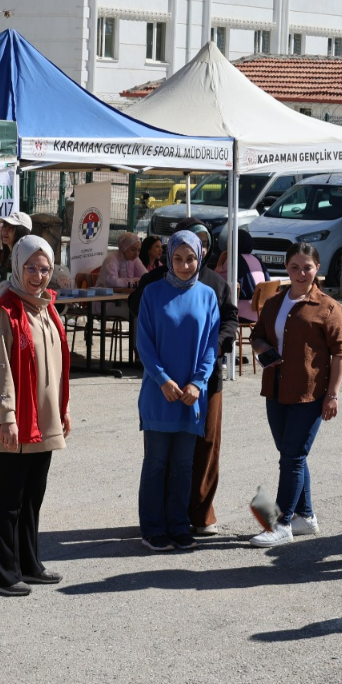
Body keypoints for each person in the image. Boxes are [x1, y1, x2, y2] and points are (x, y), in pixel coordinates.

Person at [131, 225, 238, 536]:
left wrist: (198, 382)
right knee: (156, 463)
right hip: (159, 394)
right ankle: (153, 528)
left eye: (191, 258)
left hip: (193, 395)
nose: (184, 265)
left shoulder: (209, 293)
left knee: (183, 465)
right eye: (177, 258)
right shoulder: (151, 291)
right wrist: (163, 380)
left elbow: (210, 345)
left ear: (200, 256)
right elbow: (145, 344)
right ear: (168, 257)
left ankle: (179, 525)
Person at [0, 235, 73, 596]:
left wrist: (64, 409)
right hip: (16, 421)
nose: (38, 276)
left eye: (45, 268)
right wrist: (7, 415)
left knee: (32, 495)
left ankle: (29, 563)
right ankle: (0, 574)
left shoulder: (45, 306)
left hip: (44, 418)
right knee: (9, 497)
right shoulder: (5, 310)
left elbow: (59, 365)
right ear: (17, 268)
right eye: (31, 268)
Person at [247, 243, 342, 547]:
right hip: (276, 391)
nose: (301, 273)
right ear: (286, 269)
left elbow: (340, 354)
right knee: (292, 455)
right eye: (294, 267)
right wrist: (263, 348)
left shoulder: (329, 307)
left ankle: (282, 524)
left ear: (317, 268)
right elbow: (257, 336)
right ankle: (305, 517)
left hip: (310, 394)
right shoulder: (275, 303)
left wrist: (332, 395)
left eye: (307, 267)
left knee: (291, 457)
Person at [217, 228, 271, 324]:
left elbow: (218, 281)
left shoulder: (234, 260)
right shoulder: (257, 259)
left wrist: (219, 264)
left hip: (241, 312)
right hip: (260, 310)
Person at [0, 211, 33, 295]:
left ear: (21, 231)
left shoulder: (28, 256)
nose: (4, 231)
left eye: (10, 228)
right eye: (5, 226)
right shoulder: (9, 254)